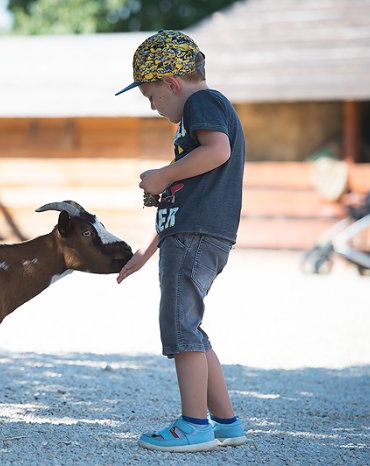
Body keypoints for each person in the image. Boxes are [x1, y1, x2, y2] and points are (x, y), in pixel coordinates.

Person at [115, 30, 247, 453]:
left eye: (150, 96)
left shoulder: (201, 104)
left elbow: (219, 151)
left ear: (171, 83)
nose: (153, 107)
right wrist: (145, 250)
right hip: (190, 233)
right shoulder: (195, 114)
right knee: (193, 328)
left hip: (194, 237)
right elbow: (181, 199)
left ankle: (194, 425)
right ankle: (225, 423)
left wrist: (163, 174)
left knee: (180, 327)